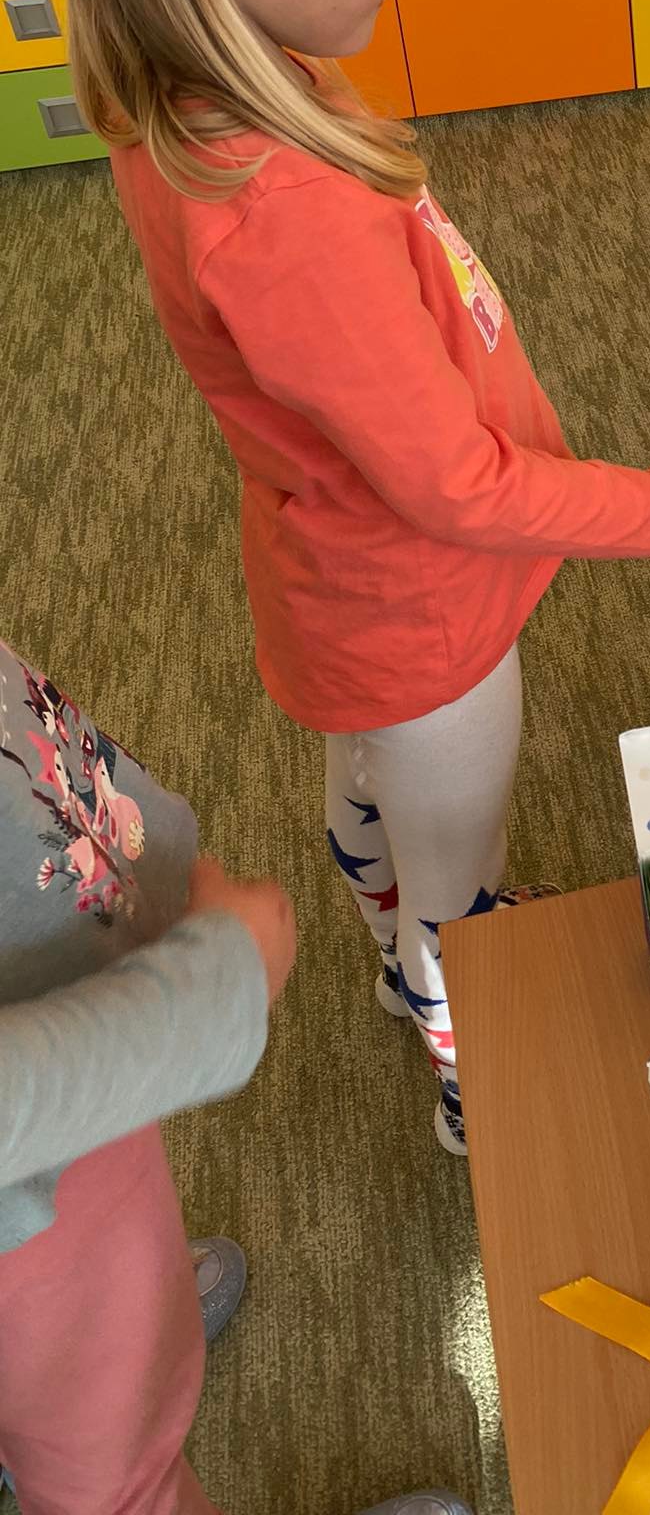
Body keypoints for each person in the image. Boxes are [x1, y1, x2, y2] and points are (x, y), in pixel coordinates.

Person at [44, 0, 650, 1155]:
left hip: (344, 594)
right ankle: (474, 1071)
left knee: (375, 796)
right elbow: (455, 483)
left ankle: (396, 946)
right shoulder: (278, 205)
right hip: (427, 617)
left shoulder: (208, 92)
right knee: (457, 880)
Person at [0, 637, 471, 1515]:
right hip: (25, 1180)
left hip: (54, 1058)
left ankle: (94, 1357)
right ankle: (90, 1388)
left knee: (110, 1289)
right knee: (115, 1486)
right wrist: (208, 994)